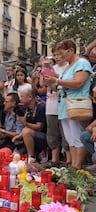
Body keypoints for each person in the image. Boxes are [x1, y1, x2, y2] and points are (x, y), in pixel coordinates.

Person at [44, 39, 93, 169]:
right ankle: (73, 165)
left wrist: (58, 81)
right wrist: (51, 82)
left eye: (61, 53)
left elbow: (78, 82)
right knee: (70, 139)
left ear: (71, 50)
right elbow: (61, 86)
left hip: (76, 105)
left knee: (77, 137)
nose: (59, 57)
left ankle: (77, 166)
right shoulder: (67, 67)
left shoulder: (82, 63)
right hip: (65, 106)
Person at [12, 88, 47, 163]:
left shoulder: (40, 107)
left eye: (22, 96)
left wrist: (25, 123)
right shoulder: (27, 108)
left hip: (44, 137)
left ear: (30, 97)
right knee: (15, 155)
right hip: (31, 135)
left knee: (26, 131)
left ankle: (32, 157)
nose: (20, 99)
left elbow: (39, 127)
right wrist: (20, 135)